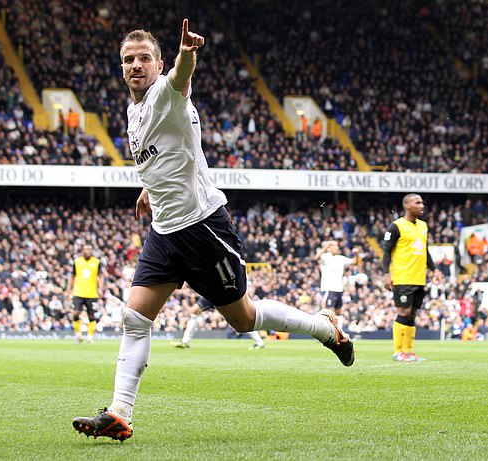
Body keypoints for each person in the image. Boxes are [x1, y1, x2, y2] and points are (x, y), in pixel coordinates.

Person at [72, 20, 354, 442]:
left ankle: (325, 328)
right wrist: (148, 189)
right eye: (128, 60)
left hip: (203, 227)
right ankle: (120, 413)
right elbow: (164, 155)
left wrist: (188, 55)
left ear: (158, 63)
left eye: (144, 58)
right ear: (121, 67)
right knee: (135, 317)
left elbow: (180, 80)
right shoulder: (133, 111)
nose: (135, 65)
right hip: (164, 233)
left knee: (244, 319)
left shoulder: (166, 92)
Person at [382, 194, 443, 362]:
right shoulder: (396, 227)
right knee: (404, 311)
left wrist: (434, 269)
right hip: (402, 277)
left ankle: (408, 351)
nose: (422, 205)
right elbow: (386, 251)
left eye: (422, 202)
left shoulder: (423, 226)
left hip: (419, 278)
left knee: (412, 314)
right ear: (407, 206)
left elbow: (426, 250)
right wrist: (386, 274)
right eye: (417, 202)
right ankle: (398, 352)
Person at [172, 294, 265, 350]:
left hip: (219, 291)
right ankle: (185, 341)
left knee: (241, 318)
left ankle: (260, 342)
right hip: (210, 293)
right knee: (194, 312)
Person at [66, 244, 104, 344]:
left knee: (91, 316)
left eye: (89, 249)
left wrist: (100, 288)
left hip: (92, 294)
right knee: (75, 313)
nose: (88, 251)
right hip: (78, 292)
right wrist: (68, 290)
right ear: (82, 251)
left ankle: (90, 337)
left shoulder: (96, 262)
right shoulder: (77, 262)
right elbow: (72, 277)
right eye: (86, 249)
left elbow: (100, 276)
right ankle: (78, 335)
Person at [314, 240, 354, 330]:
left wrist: (357, 254)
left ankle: (339, 332)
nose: (337, 248)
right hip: (329, 288)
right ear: (329, 248)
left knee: (338, 311)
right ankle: (327, 332)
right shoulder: (325, 257)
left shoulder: (340, 258)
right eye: (334, 246)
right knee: (329, 311)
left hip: (339, 289)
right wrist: (325, 247)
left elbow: (355, 262)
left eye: (337, 246)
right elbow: (316, 258)